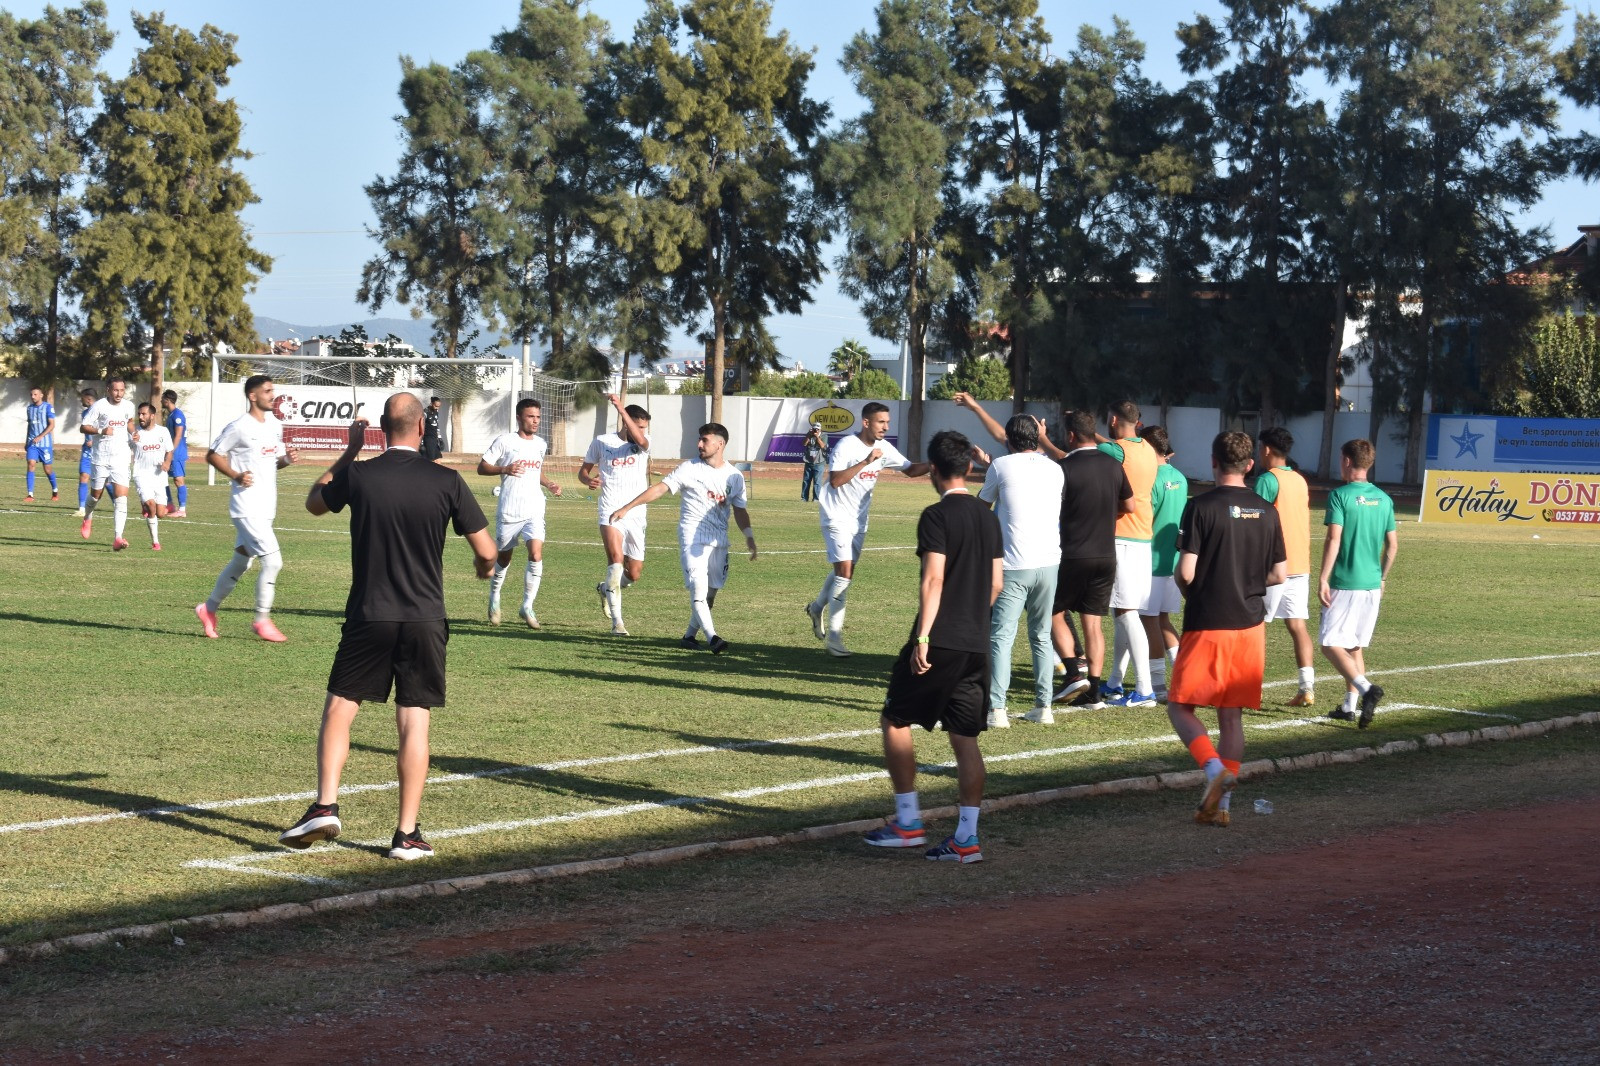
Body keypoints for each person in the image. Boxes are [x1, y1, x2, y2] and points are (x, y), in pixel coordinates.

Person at [278, 395, 496, 860]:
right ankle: (406, 834)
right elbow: (487, 550)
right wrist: (484, 568)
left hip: (369, 614)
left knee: (341, 707)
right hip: (424, 618)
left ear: (380, 427)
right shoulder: (447, 480)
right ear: (421, 429)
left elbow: (314, 502)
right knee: (413, 719)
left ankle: (325, 805)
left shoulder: (358, 475)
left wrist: (350, 451)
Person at [862, 430, 1003, 864]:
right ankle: (966, 839)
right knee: (965, 738)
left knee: (895, 719)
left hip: (940, 638)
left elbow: (933, 578)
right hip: (976, 643)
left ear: (934, 471)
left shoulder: (936, 515)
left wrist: (923, 636)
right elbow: (996, 583)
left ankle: (908, 823)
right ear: (969, 467)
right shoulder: (987, 516)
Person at [1166, 431, 1287, 827]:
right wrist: (1245, 581)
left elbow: (1186, 572)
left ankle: (1214, 769)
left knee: (1180, 706)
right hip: (1250, 623)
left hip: (1209, 619)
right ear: (1250, 465)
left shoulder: (1200, 506)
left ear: (1213, 461)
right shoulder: (1267, 511)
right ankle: (1221, 809)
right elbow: (1279, 574)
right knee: (1231, 716)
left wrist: (1195, 590)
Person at [612, 423, 755, 653]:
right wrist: (627, 507)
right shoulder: (689, 468)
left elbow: (739, 509)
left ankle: (689, 636)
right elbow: (660, 488)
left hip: (718, 541)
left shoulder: (735, 477)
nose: (699, 444)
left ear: (720, 444)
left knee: (710, 595)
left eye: (705, 440)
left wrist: (749, 536)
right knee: (698, 588)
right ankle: (713, 639)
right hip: (692, 539)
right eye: (699, 439)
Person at [963, 409, 1064, 728]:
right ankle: (1044, 706)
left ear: (1008, 439)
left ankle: (997, 709)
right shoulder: (1055, 468)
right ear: (1037, 438)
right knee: (1041, 635)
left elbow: (983, 507)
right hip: (1049, 562)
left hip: (1014, 563)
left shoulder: (1001, 465)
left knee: (1001, 637)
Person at [807, 402, 931, 656]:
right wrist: (866, 461)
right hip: (835, 517)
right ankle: (834, 639)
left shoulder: (884, 448)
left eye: (887, 422)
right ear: (866, 423)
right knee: (844, 573)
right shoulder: (846, 446)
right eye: (881, 422)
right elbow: (836, 480)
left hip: (859, 521)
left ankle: (816, 607)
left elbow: (910, 470)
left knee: (845, 571)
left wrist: (936, 463)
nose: (886, 427)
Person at [197, 375, 298, 642]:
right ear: (252, 396)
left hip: (266, 508)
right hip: (246, 507)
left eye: (272, 390)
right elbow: (213, 454)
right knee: (273, 561)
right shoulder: (239, 427)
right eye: (267, 391)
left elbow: (272, 463)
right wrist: (236, 475)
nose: (272, 395)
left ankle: (208, 609)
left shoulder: (275, 425)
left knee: (241, 562)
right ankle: (262, 620)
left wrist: (286, 460)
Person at [1053, 410, 1134, 711]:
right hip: (1105, 554)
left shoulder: (1064, 467)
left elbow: (1052, 507)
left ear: (1071, 435)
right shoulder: (1113, 464)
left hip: (1073, 552)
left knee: (1051, 611)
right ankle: (1095, 691)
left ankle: (1073, 673)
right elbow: (1130, 505)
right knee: (1093, 623)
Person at [1318, 439, 1398, 728]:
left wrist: (1323, 578)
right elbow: (1392, 546)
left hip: (1345, 582)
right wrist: (1383, 577)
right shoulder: (1384, 499)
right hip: (1371, 585)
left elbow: (1334, 538)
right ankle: (1349, 707)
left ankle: (1367, 690)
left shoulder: (1340, 496)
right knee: (1354, 647)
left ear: (1347, 461)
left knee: (1329, 644)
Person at [478, 398, 562, 628]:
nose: (535, 421)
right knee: (504, 558)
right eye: (530, 416)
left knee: (535, 554)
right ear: (519, 418)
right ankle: (495, 597)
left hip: (534, 508)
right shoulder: (505, 441)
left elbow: (537, 470)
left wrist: (549, 483)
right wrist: (504, 468)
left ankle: (527, 605)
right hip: (509, 510)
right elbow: (482, 467)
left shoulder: (541, 444)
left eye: (538, 417)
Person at [1097, 401, 1160, 706]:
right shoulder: (1147, 448)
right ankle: (1115, 682)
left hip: (1122, 536)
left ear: (1113, 420)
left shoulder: (1114, 450)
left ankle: (1145, 689)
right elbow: (1115, 447)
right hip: (1142, 536)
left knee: (1126, 613)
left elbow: (1092, 451)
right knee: (1123, 611)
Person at [578, 394, 653, 636]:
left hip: (636, 513)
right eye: (638, 425)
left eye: (644, 427)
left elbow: (641, 440)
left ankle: (605, 589)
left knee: (634, 573)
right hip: (610, 510)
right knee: (616, 561)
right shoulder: (601, 442)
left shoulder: (644, 443)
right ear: (626, 423)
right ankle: (617, 623)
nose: (642, 431)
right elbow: (583, 472)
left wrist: (621, 409)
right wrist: (588, 481)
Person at [1254, 426, 1316, 706]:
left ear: (1267, 449)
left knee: (1256, 626)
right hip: (1299, 562)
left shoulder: (1268, 480)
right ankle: (1307, 688)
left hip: (1273, 565)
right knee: (1297, 626)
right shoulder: (1299, 480)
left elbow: (1255, 520)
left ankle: (1251, 686)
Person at [1134, 426, 1187, 701]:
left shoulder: (1151, 478)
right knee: (1163, 620)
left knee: (1149, 621)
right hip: (1174, 561)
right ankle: (1183, 677)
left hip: (1152, 561)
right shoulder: (1180, 477)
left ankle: (1158, 684)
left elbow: (1145, 519)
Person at [79, 377, 138, 551]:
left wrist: (134, 433)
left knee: (121, 498)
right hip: (101, 457)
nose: (119, 394)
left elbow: (129, 423)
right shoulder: (99, 406)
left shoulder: (128, 406)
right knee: (96, 495)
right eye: (115, 390)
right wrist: (101, 430)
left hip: (121, 457)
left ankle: (118, 537)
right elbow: (84, 427)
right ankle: (88, 516)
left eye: (122, 390)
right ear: (108, 390)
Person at [131, 402, 174, 550]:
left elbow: (169, 450)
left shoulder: (163, 431)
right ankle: (155, 542)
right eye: (139, 414)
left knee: (160, 513)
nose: (141, 417)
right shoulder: (135, 433)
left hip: (159, 476)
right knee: (151, 505)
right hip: (141, 474)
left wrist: (167, 462)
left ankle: (145, 504)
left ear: (152, 416)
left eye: (144, 414)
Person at [24, 387, 58, 503]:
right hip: (32, 443)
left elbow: (52, 425)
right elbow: (30, 426)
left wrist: (41, 436)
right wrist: (26, 441)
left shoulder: (48, 407)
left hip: (45, 444)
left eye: (35, 394)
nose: (32, 396)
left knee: (47, 470)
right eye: (31, 394)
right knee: (31, 463)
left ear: (41, 395)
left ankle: (55, 490)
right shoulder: (29, 408)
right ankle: (30, 494)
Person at [160, 389, 189, 517]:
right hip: (172, 452)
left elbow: (178, 435)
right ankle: (170, 504)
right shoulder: (171, 414)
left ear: (167, 400)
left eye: (162, 399)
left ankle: (182, 510)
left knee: (178, 480)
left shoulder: (177, 415)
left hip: (177, 453)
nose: (161, 401)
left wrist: (170, 451)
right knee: (162, 477)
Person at [73, 387, 96, 517]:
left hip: (100, 452)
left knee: (107, 482)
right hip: (87, 452)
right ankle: (82, 508)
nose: (81, 401)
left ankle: (117, 505)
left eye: (82, 398)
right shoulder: (84, 413)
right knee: (83, 476)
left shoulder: (102, 412)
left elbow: (108, 430)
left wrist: (95, 441)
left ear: (88, 399)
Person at [800, 423, 827, 503]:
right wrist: (809, 435)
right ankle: (804, 498)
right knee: (806, 481)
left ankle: (816, 498)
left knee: (817, 482)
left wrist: (817, 437)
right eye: (815, 428)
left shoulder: (824, 436)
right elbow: (804, 444)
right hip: (809, 461)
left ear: (820, 429)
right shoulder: (809, 434)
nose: (816, 430)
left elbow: (823, 446)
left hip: (819, 462)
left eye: (817, 429)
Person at [422, 396, 443, 460]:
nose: (437, 408)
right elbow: (421, 426)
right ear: (431, 404)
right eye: (436, 406)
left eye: (439, 406)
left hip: (434, 438)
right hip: (428, 438)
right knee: (430, 459)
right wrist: (421, 442)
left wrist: (440, 438)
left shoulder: (436, 412)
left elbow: (437, 425)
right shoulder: (425, 412)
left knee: (438, 459)